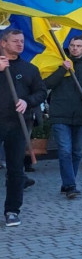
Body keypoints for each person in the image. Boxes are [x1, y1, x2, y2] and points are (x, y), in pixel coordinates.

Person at [44, 35, 82, 200]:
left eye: (78, 45)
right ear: (68, 46)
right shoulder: (59, 64)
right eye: (72, 45)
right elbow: (47, 84)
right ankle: (70, 185)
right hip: (60, 114)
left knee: (77, 152)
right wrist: (63, 69)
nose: (75, 48)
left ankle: (68, 181)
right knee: (64, 151)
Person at [0, 28, 46, 226]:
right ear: (3, 43)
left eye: (21, 41)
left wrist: (28, 101)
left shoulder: (29, 69)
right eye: (15, 41)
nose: (20, 44)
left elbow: (41, 92)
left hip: (18, 123)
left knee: (15, 169)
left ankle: (12, 210)